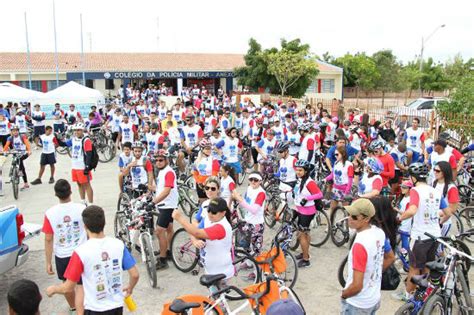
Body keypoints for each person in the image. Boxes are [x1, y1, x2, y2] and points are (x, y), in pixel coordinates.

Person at [46, 205, 140, 315]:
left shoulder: (80, 252)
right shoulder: (118, 245)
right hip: (116, 306)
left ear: (85, 226)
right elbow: (135, 274)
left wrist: (53, 289)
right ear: (104, 223)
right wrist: (130, 288)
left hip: (94, 308)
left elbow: (68, 287)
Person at [395, 162, 451, 301]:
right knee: (427, 265)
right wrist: (437, 222)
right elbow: (448, 212)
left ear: (414, 178)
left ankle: (408, 296)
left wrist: (399, 219)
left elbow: (412, 210)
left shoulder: (415, 191)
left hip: (420, 235)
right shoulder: (436, 192)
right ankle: (424, 295)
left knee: (414, 267)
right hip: (435, 235)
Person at [341, 198, 393, 314]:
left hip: (358, 303)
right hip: (374, 298)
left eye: (354, 216)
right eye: (349, 214)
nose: (349, 218)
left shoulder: (361, 243)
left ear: (366, 219)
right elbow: (390, 258)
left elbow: (357, 285)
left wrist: (344, 294)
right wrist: (374, 274)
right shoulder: (379, 232)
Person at [42, 179, 87, 314]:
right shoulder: (82, 208)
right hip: (81, 253)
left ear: (56, 194)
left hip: (63, 255)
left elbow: (48, 238)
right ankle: (83, 308)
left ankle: (74, 308)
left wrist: (48, 262)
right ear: (71, 192)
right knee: (81, 285)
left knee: (67, 285)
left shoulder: (50, 213)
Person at [173, 198, 233, 284]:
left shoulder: (222, 227)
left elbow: (197, 233)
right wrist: (195, 241)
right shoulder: (208, 219)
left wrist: (180, 219)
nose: (210, 214)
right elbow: (194, 231)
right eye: (209, 210)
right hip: (210, 268)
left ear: (223, 213)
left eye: (214, 212)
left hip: (220, 271)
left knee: (219, 295)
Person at [293, 159, 323, 268]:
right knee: (305, 234)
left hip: (307, 211)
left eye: (300, 170)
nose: (298, 172)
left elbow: (319, 194)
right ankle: (305, 253)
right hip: (300, 209)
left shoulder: (309, 182)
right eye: (297, 170)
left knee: (301, 235)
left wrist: (307, 198)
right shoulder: (300, 179)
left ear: (306, 171)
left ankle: (306, 259)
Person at [152, 149, 179, 270]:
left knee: (159, 231)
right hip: (165, 204)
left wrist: (154, 202)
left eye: (161, 160)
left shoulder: (168, 172)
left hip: (167, 206)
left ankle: (162, 259)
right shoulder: (162, 172)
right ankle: (168, 251)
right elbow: (161, 188)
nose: (158, 162)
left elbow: (167, 191)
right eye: (156, 160)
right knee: (169, 228)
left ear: (167, 160)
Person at [232, 172, 266, 256]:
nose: (253, 182)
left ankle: (256, 267)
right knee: (245, 245)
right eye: (251, 179)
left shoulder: (261, 193)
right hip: (247, 221)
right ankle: (248, 262)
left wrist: (240, 200)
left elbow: (254, 210)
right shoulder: (249, 188)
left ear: (260, 181)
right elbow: (245, 202)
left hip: (256, 224)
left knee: (256, 249)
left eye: (256, 180)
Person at [432, 161, 460, 237]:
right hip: (432, 220)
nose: (435, 172)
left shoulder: (452, 188)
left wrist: (439, 217)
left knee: (439, 246)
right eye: (434, 170)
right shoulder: (434, 182)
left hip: (443, 221)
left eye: (437, 171)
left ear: (445, 172)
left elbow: (452, 209)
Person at [326, 146, 354, 213]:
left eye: (337, 154)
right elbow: (332, 175)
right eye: (335, 154)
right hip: (336, 189)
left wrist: (347, 192)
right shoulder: (336, 163)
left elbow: (350, 180)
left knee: (346, 211)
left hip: (345, 189)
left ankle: (347, 223)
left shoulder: (349, 165)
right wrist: (325, 179)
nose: (335, 156)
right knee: (332, 208)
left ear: (343, 154)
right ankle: (332, 222)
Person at [3, 125, 32, 190]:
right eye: (13, 131)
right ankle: (13, 172)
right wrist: (4, 151)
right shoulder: (10, 138)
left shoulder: (22, 136)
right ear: (11, 132)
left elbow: (27, 144)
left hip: (23, 153)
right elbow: (6, 145)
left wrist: (29, 150)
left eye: (16, 131)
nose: (15, 132)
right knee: (14, 160)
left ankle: (24, 181)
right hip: (16, 152)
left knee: (20, 163)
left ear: (18, 131)